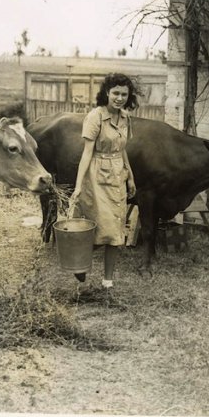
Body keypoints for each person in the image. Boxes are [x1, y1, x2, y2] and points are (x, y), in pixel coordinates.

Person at [69, 73, 138, 288]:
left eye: (124, 94)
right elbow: (87, 153)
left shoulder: (126, 118)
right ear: (106, 93)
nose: (119, 98)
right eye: (115, 93)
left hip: (118, 175)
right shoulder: (95, 117)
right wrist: (79, 186)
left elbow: (122, 149)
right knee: (103, 228)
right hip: (97, 176)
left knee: (116, 229)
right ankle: (78, 260)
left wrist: (130, 176)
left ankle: (108, 281)